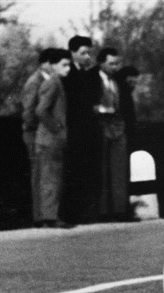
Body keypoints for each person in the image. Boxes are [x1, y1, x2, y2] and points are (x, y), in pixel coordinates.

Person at [87, 47, 129, 221]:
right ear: (101, 63)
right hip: (100, 127)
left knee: (119, 169)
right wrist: (104, 109)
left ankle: (120, 210)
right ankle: (103, 211)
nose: (115, 67)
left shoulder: (119, 80)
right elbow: (87, 105)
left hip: (118, 127)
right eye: (111, 63)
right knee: (102, 170)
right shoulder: (90, 78)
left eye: (117, 63)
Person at [62, 35, 101, 223]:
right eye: (83, 53)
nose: (87, 57)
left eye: (89, 53)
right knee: (73, 171)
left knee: (84, 171)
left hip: (85, 131)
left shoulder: (86, 75)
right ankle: (71, 214)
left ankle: (83, 213)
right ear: (72, 53)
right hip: (73, 130)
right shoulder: (68, 75)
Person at [34, 49, 74, 228]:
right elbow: (41, 110)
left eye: (69, 65)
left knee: (51, 178)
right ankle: (50, 218)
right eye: (64, 65)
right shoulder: (53, 83)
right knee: (51, 179)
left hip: (50, 140)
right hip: (50, 139)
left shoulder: (57, 82)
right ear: (53, 65)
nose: (68, 69)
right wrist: (57, 128)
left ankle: (50, 216)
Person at [21, 48, 55, 226]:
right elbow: (28, 111)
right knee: (38, 174)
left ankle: (47, 215)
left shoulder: (49, 80)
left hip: (43, 134)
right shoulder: (35, 81)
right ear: (46, 63)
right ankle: (40, 217)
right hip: (34, 134)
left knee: (46, 174)